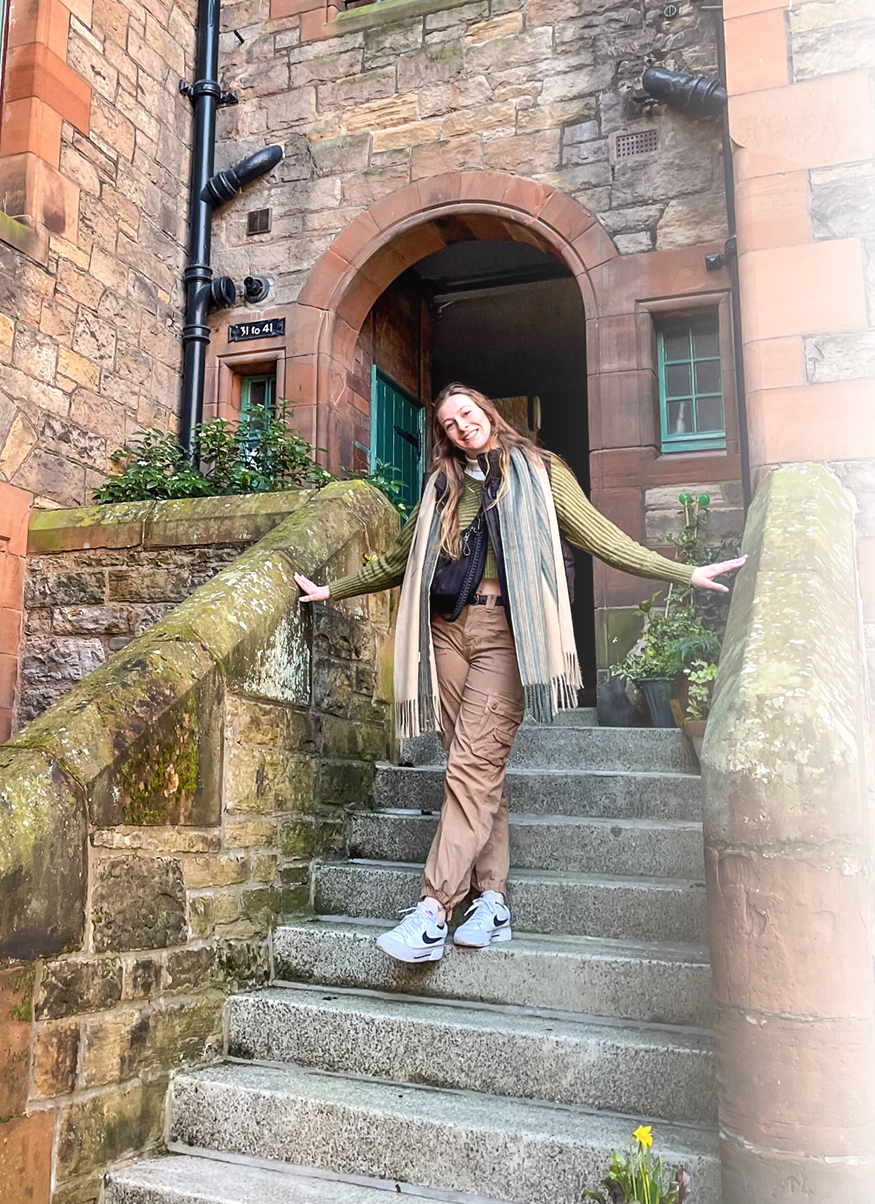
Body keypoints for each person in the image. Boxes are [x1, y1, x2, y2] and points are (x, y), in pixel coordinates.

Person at [295, 384, 744, 963]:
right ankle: (493, 903)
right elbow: (398, 561)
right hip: (446, 631)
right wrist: (333, 588)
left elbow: (601, 537)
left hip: (506, 634)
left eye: (468, 413)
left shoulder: (540, 472)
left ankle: (433, 910)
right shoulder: (442, 487)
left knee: (471, 763)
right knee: (477, 770)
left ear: (487, 412)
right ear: (444, 436)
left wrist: (682, 572)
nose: (461, 426)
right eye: (449, 423)